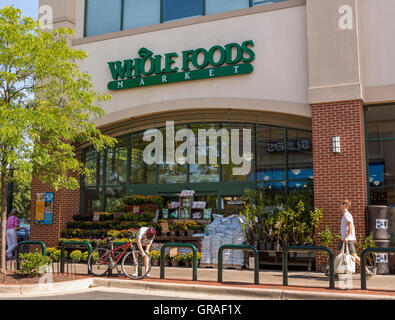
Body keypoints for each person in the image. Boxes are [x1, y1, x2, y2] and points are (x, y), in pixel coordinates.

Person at [336, 200, 371, 276]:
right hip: (344, 239)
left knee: (354, 256)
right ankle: (335, 272)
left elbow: (351, 226)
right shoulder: (345, 215)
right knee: (338, 254)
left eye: (341, 205)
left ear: (345, 206)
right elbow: (352, 226)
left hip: (347, 240)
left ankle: (367, 271)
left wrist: (348, 237)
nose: (339, 206)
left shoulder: (347, 215)